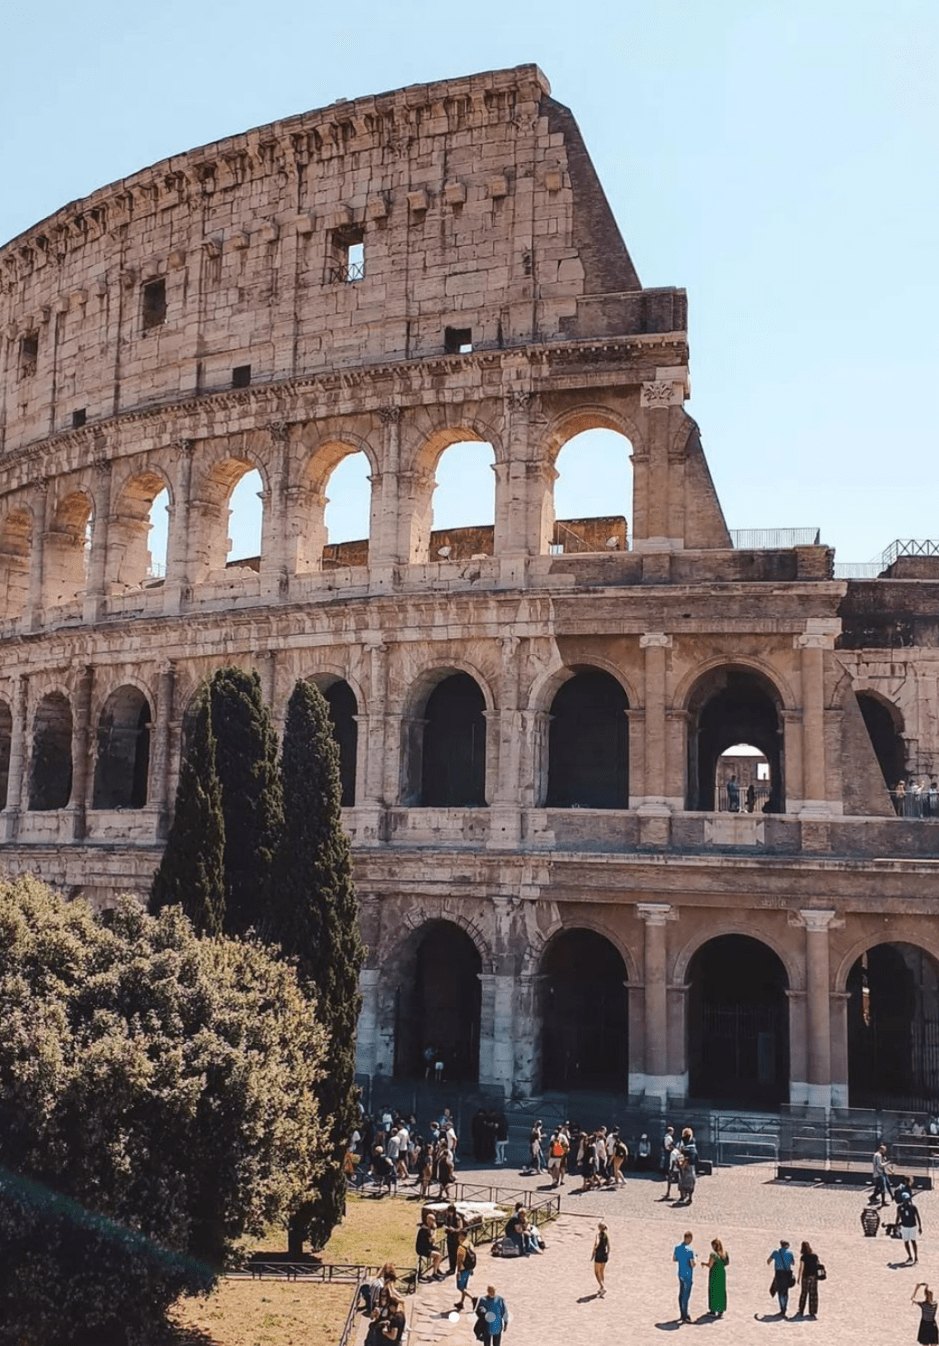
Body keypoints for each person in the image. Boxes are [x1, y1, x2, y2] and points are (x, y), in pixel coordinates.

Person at [768, 1239, 795, 1318]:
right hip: (787, 1274)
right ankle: (784, 1308)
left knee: (780, 1292)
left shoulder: (776, 1252)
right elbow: (793, 1263)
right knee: (785, 1291)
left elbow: (769, 1261)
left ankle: (782, 1309)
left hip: (779, 1273)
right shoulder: (790, 1252)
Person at [673, 1230, 696, 1324]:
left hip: (680, 1273)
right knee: (686, 1295)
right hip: (688, 1275)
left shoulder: (677, 1248)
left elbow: (674, 1259)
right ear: (689, 1238)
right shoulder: (690, 1250)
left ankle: (682, 1313)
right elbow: (692, 1264)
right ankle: (685, 1315)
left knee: (681, 1293)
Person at [415, 1212, 443, 1279]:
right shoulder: (425, 1229)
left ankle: (437, 1268)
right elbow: (431, 1240)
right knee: (438, 1255)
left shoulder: (428, 1228)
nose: (434, 1222)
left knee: (440, 1253)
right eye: (433, 1220)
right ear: (429, 1220)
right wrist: (435, 1232)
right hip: (422, 1249)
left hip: (426, 1247)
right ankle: (434, 1273)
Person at [797, 1240, 820, 1319]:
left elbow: (801, 1268)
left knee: (804, 1293)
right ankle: (812, 1311)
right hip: (814, 1277)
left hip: (806, 1276)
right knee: (813, 1294)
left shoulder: (803, 1257)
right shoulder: (815, 1256)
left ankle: (801, 1310)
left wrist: (798, 1278)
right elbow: (818, 1265)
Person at [706, 1238, 728, 1318]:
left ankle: (713, 1310)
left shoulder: (713, 1254)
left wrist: (704, 1264)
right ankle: (721, 1310)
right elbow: (727, 1263)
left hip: (714, 1274)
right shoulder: (725, 1253)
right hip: (722, 1274)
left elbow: (710, 1265)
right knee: (721, 1291)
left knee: (713, 1291)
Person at [454, 1228, 476, 1309]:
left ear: (462, 1236)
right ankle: (461, 1303)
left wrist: (458, 1272)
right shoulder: (469, 1244)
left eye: (459, 1235)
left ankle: (473, 1298)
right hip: (469, 1268)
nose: (458, 1237)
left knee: (460, 1287)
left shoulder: (461, 1247)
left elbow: (459, 1260)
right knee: (464, 1286)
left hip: (463, 1269)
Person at [900, 1194, 924, 1264]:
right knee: (906, 1242)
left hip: (913, 1226)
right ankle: (910, 1256)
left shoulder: (913, 1207)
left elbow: (918, 1217)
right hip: (904, 1226)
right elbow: (898, 1216)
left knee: (913, 1241)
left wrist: (920, 1227)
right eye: (905, 1200)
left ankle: (916, 1257)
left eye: (908, 1199)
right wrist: (896, 1225)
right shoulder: (900, 1208)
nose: (907, 1201)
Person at [444, 1203, 465, 1274]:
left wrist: (453, 1229)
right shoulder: (448, 1217)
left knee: (456, 1254)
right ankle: (451, 1268)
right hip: (449, 1238)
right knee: (451, 1254)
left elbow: (460, 1228)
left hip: (456, 1239)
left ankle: (457, 1268)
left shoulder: (457, 1218)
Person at [592, 1221, 610, 1297]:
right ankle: (601, 1288)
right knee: (601, 1272)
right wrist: (607, 1254)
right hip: (604, 1256)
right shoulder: (606, 1236)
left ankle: (602, 1287)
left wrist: (594, 1251)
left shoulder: (598, 1235)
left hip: (599, 1255)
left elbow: (597, 1243)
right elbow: (609, 1247)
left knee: (596, 1272)